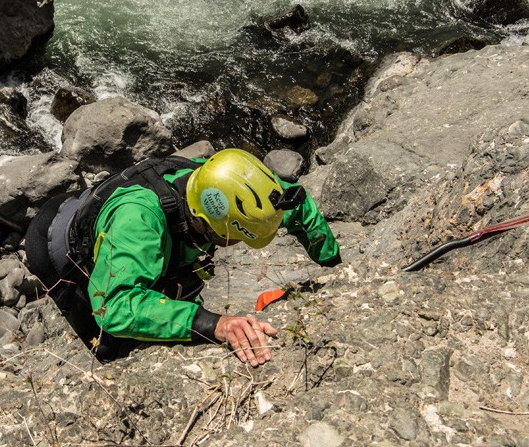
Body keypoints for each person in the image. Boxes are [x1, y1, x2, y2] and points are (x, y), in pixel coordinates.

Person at [25, 149, 341, 365]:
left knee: (180, 285)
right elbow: (114, 307)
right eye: (233, 238)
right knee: (111, 346)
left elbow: (298, 205)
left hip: (118, 219)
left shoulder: (227, 180)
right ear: (203, 220)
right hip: (57, 248)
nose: (235, 244)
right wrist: (213, 324)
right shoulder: (139, 222)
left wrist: (334, 266)